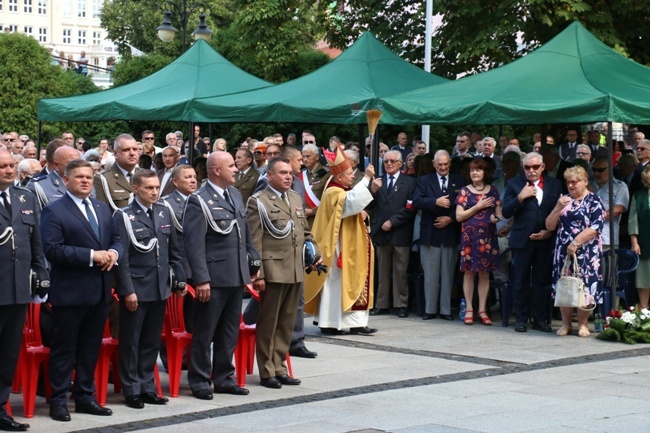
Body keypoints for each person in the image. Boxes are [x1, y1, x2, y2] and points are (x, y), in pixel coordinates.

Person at [40, 160, 122, 422]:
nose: (86, 181)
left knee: (90, 347)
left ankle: (85, 396)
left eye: (89, 176)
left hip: (99, 292)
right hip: (70, 293)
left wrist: (112, 252)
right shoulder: (54, 211)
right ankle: (59, 400)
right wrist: (91, 256)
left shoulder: (102, 207)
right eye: (79, 177)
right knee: (64, 349)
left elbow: (117, 238)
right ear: (66, 181)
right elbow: (52, 249)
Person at [183, 151, 260, 400]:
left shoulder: (235, 194)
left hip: (235, 273)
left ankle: (224, 377)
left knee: (229, 331)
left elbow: (244, 231)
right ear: (216, 170)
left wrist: (252, 257)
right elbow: (193, 245)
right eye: (230, 165)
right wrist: (201, 279)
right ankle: (200, 380)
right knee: (205, 331)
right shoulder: (199, 200)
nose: (236, 168)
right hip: (213, 277)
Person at [113, 170, 185, 409]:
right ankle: (131, 389)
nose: (154, 192)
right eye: (148, 188)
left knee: (151, 341)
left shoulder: (164, 211)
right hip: (137, 286)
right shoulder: (123, 216)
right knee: (131, 341)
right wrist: (127, 290)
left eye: (156, 187)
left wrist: (180, 280)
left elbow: (174, 251)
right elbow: (122, 258)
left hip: (159, 286)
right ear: (135, 189)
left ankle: (147, 386)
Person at [246, 158, 318, 388]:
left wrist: (314, 252)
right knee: (269, 322)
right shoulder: (258, 202)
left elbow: (304, 232)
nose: (289, 177)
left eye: (290, 173)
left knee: (287, 323)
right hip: (274, 269)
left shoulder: (295, 198)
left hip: (295, 269)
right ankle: (267, 371)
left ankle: (280, 367)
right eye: (283, 173)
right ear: (270, 176)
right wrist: (259, 274)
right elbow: (255, 242)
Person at [0, 150, 48, 432]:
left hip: (18, 287)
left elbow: (35, 241)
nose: (9, 170)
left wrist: (41, 274)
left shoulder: (24, 197)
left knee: (7, 353)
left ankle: (1, 407)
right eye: (3, 166)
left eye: (11, 166)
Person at [304, 146, 376, 335]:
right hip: (337, 247)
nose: (353, 177)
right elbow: (349, 204)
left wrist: (364, 215)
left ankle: (356, 322)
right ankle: (329, 322)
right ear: (339, 177)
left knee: (354, 281)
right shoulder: (333, 192)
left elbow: (352, 207)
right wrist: (367, 178)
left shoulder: (342, 190)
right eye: (350, 174)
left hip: (351, 244)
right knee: (336, 284)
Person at [502, 152, 562, 333]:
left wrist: (549, 232)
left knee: (541, 281)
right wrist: (520, 197)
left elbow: (560, 211)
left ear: (543, 167)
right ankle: (520, 319)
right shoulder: (514, 184)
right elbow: (505, 212)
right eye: (527, 167)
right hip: (522, 239)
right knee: (520, 280)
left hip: (545, 239)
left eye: (535, 167)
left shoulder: (554, 184)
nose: (531, 171)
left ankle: (540, 319)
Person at [546, 166, 605, 337]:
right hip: (564, 252)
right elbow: (549, 226)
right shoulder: (564, 200)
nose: (571, 185)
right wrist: (557, 208)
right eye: (568, 182)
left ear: (585, 181)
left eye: (575, 182)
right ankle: (566, 324)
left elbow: (595, 227)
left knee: (584, 287)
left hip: (587, 252)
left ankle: (583, 324)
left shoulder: (594, 201)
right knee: (565, 285)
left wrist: (576, 242)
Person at [412, 150, 463, 321]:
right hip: (430, 232)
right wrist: (435, 201)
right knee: (431, 274)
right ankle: (430, 309)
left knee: (447, 273)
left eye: (446, 164)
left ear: (450, 163)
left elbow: (463, 205)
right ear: (434, 164)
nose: (443, 167)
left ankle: (446, 310)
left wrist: (450, 218)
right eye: (439, 164)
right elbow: (416, 201)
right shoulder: (424, 180)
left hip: (450, 232)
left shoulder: (458, 180)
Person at [455, 158, 503, 325]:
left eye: (478, 170)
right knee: (469, 273)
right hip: (469, 238)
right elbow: (459, 216)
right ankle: (469, 308)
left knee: (484, 274)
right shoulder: (464, 191)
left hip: (487, 238)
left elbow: (499, 215)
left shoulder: (493, 191)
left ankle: (482, 309)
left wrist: (494, 218)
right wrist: (478, 206)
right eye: (472, 170)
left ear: (485, 172)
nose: (475, 173)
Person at [369, 150, 416, 318]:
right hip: (381, 232)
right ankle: (381, 304)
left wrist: (393, 221)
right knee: (382, 271)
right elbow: (368, 204)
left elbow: (411, 207)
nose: (388, 164)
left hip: (400, 231)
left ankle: (401, 304)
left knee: (400, 271)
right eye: (386, 161)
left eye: (392, 161)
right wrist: (372, 191)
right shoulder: (377, 181)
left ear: (400, 163)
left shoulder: (410, 182)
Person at [94, 134, 140, 212]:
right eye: (126, 150)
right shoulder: (103, 179)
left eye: (135, 149)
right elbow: (101, 213)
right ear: (115, 154)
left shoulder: (146, 175)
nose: (132, 153)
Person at [629, 166, 650, 309]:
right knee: (643, 279)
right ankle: (643, 311)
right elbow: (633, 220)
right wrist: (634, 242)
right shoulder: (639, 195)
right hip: (645, 241)